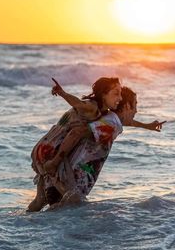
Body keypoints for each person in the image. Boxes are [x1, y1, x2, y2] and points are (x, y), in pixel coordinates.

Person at [28, 82, 164, 211]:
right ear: (127, 106)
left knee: (39, 204)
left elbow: (125, 122)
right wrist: (55, 162)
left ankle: (20, 227)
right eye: (135, 105)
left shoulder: (109, 117)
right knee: (65, 216)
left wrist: (147, 126)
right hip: (66, 178)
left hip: (54, 166)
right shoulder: (112, 124)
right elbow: (78, 132)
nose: (136, 110)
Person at [28, 77, 122, 212]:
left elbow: (125, 120)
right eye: (116, 93)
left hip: (43, 147)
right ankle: (55, 225)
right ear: (103, 94)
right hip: (51, 149)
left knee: (40, 200)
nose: (120, 98)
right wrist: (62, 93)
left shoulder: (103, 112)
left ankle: (23, 222)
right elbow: (77, 103)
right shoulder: (92, 106)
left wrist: (147, 125)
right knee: (67, 199)